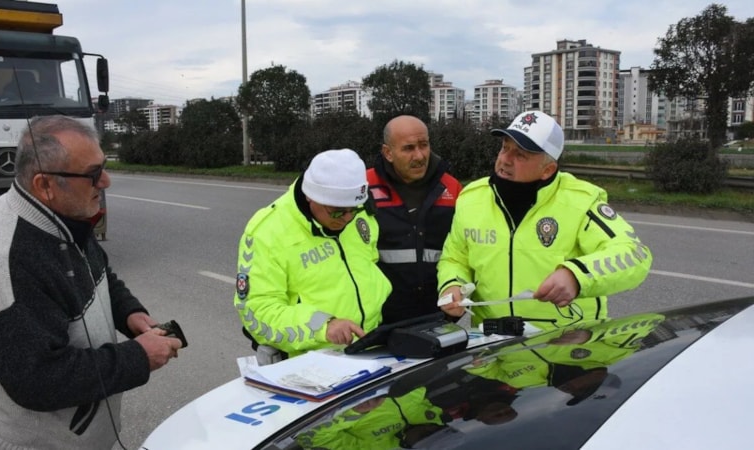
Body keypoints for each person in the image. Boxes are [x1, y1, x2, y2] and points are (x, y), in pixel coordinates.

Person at [0, 115, 183, 450]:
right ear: (45, 185)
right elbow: (39, 379)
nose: (105, 182)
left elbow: (99, 272)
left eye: (103, 167)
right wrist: (138, 356)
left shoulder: (60, 215)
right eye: (92, 174)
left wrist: (129, 313)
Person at [438, 110, 652, 328]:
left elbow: (634, 254)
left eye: (520, 155)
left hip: (566, 347)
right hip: (491, 347)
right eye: (505, 147)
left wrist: (576, 276)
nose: (505, 160)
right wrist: (453, 285)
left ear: (547, 169)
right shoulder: (472, 198)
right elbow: (455, 258)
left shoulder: (581, 201)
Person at [234, 149, 392, 363]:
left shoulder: (359, 213)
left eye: (353, 209)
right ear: (311, 197)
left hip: (370, 349)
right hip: (306, 365)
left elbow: (368, 268)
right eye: (337, 211)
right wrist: (323, 327)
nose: (347, 218)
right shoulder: (267, 231)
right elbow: (257, 311)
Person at [367, 115, 462, 324]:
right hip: (380, 319)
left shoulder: (452, 188)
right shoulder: (365, 188)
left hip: (439, 316)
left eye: (424, 145)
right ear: (388, 153)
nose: (419, 155)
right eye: (408, 148)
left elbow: (463, 252)